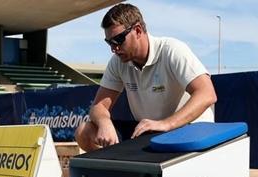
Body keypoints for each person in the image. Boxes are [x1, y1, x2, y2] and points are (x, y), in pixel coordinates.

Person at [75, 3, 217, 152]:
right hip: (149, 130)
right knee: (84, 132)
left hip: (189, 128)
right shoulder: (118, 62)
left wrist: (166, 124)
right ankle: (114, 174)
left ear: (137, 30)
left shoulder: (172, 50)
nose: (113, 48)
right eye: (109, 42)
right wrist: (105, 123)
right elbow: (98, 106)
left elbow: (207, 93)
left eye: (118, 39)